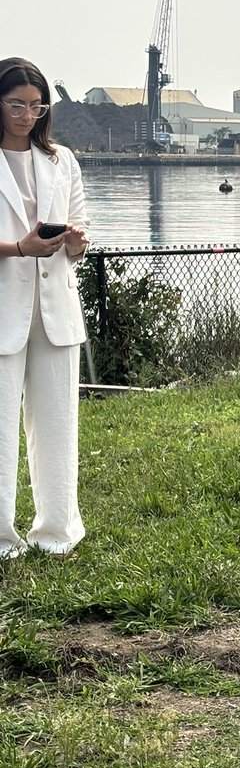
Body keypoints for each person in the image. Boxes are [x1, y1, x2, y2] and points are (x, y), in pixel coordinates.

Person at [0, 57, 91, 559]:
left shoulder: (62, 159)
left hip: (55, 305)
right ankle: (1, 538)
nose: (26, 115)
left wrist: (75, 242)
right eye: (16, 104)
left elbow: (80, 225)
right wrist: (20, 248)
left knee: (58, 425)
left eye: (36, 106)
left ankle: (57, 532)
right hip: (3, 304)